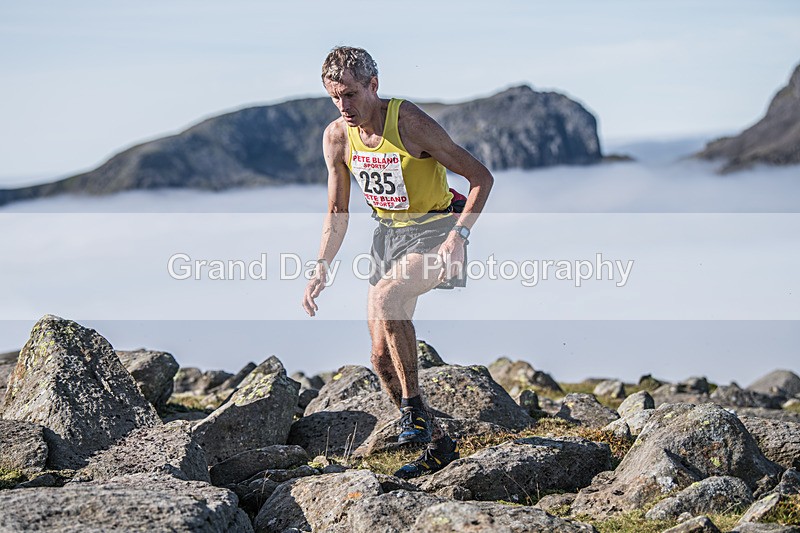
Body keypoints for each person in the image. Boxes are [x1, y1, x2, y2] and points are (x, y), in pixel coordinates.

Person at [302, 46, 493, 479]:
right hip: (388, 236)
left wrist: (460, 237)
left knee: (388, 298)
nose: (343, 106)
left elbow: (481, 177)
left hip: (437, 229)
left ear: (373, 85)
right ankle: (437, 443)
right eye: (334, 97)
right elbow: (337, 210)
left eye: (351, 94)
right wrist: (321, 266)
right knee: (379, 357)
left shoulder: (409, 124)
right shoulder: (336, 137)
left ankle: (411, 411)